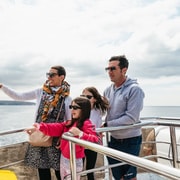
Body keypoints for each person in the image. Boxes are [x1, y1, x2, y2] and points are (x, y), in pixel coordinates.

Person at [0, 65, 72, 180]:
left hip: (55, 138)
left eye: (52, 75)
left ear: (61, 77)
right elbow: (19, 96)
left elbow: (69, 121)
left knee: (60, 171)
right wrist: (2, 87)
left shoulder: (67, 98)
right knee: (42, 170)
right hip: (39, 135)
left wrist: (63, 137)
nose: (49, 77)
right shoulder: (40, 92)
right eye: (48, 74)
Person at [25, 97, 100, 180]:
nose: (72, 110)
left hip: (75, 161)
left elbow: (96, 139)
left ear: (84, 110)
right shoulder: (70, 123)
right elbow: (55, 127)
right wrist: (38, 127)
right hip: (64, 159)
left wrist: (80, 134)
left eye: (75, 108)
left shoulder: (86, 123)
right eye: (71, 107)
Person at [102, 55, 145, 180]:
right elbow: (104, 112)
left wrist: (107, 125)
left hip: (130, 140)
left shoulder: (134, 90)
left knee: (129, 177)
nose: (109, 72)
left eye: (113, 68)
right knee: (118, 176)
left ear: (124, 70)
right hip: (113, 139)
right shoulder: (107, 90)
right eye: (108, 69)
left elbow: (131, 117)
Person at [80, 87, 109, 180]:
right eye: (83, 96)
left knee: (90, 170)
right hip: (80, 144)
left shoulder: (98, 112)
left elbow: (97, 126)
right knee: (78, 169)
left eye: (88, 97)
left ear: (95, 99)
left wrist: (100, 131)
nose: (85, 99)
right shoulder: (78, 110)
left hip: (93, 144)